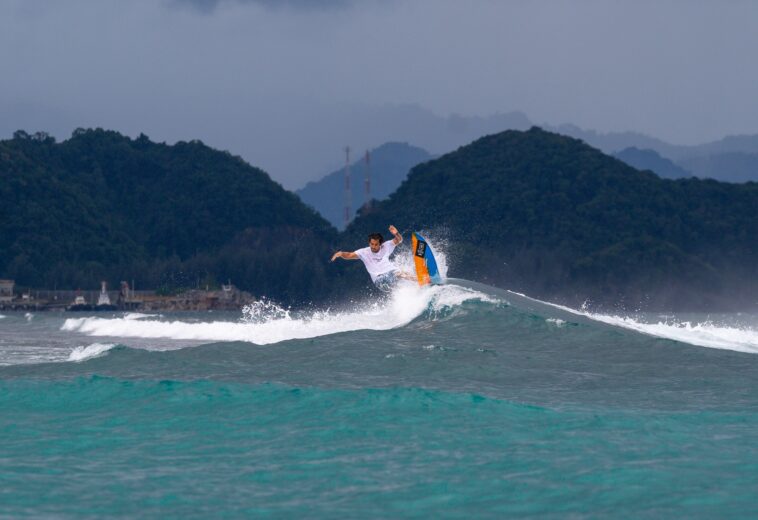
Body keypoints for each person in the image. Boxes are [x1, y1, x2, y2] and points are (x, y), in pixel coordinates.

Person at [331, 225, 410, 290]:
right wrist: (341, 254)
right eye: (372, 244)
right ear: (369, 243)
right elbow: (349, 255)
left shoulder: (386, 246)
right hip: (380, 280)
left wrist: (396, 233)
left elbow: (399, 240)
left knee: (402, 273)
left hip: (391, 272)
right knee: (397, 275)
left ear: (380, 244)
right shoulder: (364, 252)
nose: (373, 246)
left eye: (376, 244)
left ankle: (419, 281)